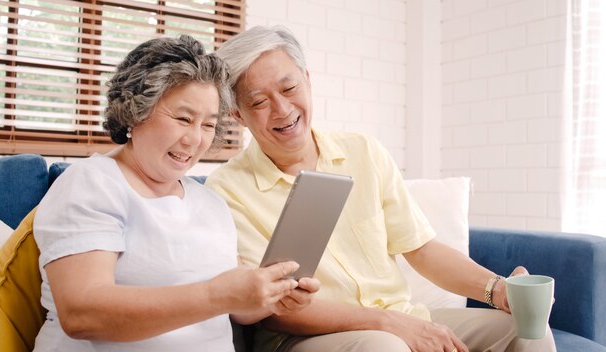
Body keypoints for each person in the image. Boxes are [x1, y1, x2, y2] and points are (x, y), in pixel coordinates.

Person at [205, 25, 557, 352]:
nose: (282, 110)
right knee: (385, 347)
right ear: (238, 115)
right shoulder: (228, 189)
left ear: (308, 81)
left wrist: (498, 290)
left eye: (289, 88)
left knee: (528, 332)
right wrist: (388, 323)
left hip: (403, 315)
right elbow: (272, 307)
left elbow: (421, 249)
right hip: (303, 337)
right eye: (259, 102)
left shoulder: (363, 151)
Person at [32, 35, 319, 352]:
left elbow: (240, 308)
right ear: (136, 109)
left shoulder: (210, 203)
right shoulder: (92, 183)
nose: (195, 140)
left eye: (208, 124)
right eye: (183, 119)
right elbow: (82, 313)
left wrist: (273, 297)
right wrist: (216, 294)